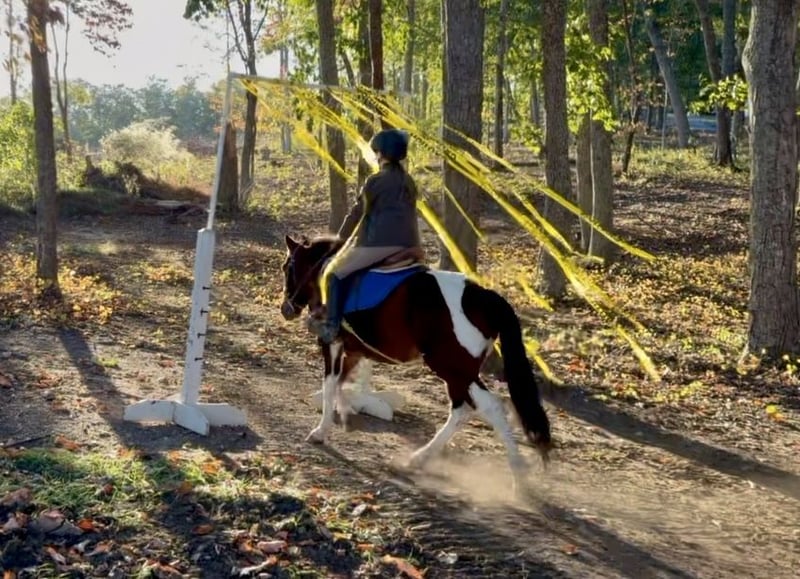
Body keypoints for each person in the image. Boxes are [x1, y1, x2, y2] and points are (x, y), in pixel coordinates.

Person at [308, 128, 424, 344]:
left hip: (380, 245)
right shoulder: (409, 181)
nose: (376, 156)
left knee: (335, 275)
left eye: (377, 152)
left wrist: (339, 241)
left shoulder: (375, 181)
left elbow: (356, 213)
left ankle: (331, 327)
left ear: (382, 154)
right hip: (411, 246)